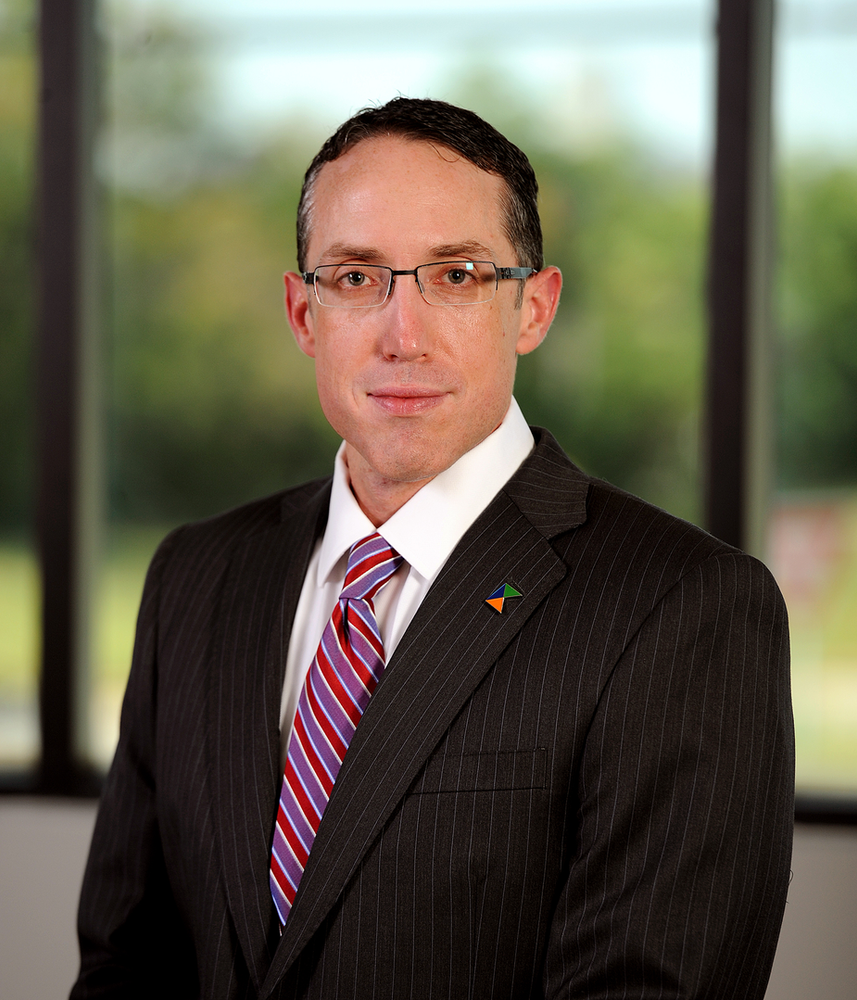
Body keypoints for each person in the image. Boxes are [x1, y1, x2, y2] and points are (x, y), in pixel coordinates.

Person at [72, 98, 794, 1000]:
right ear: (303, 314)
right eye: (355, 277)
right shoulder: (196, 575)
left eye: (455, 276)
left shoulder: (685, 607)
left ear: (532, 306)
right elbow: (123, 963)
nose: (401, 335)